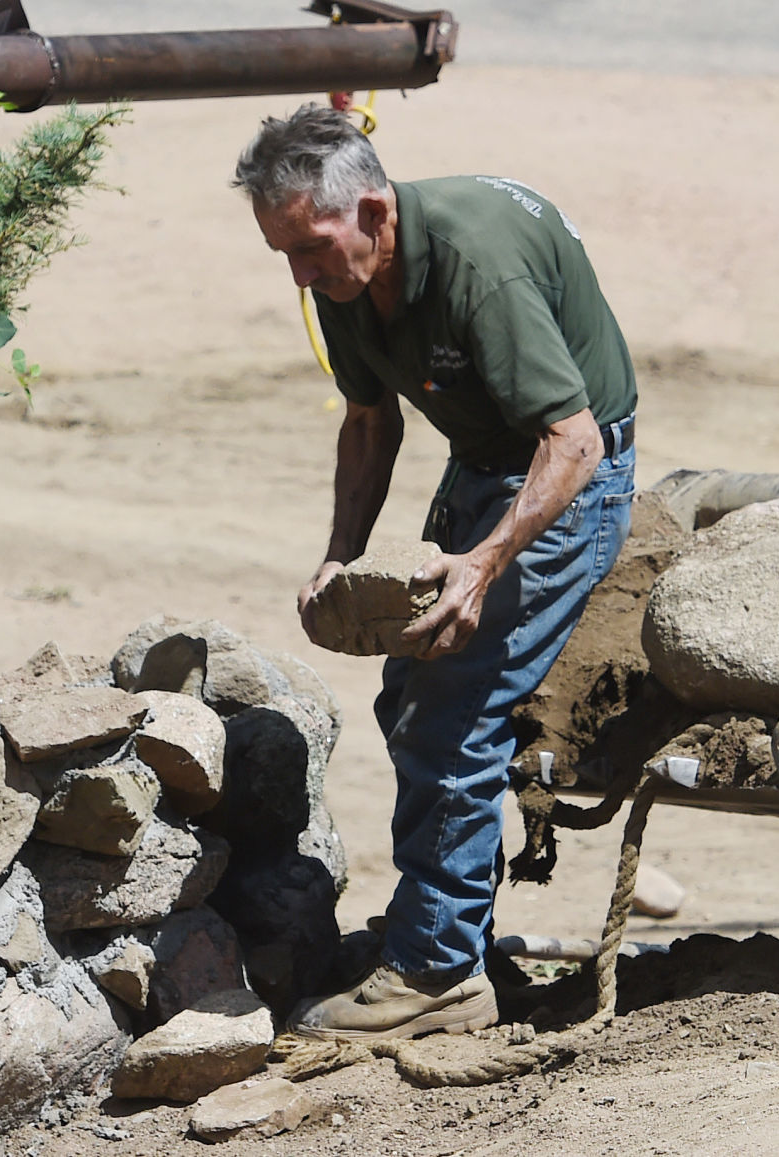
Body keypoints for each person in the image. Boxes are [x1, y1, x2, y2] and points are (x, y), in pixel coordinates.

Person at [233, 104, 638, 1039]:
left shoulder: (476, 271)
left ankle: (437, 971)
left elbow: (572, 439)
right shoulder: (344, 283)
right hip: (489, 457)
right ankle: (457, 935)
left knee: (454, 710)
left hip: (571, 467)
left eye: (312, 247)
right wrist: (339, 556)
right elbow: (371, 420)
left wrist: (486, 563)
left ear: (374, 212)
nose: (301, 274)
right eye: (282, 254)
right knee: (407, 692)